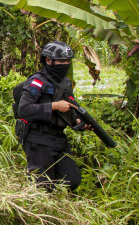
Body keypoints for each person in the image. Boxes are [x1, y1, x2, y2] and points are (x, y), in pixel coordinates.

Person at [16, 40, 86, 191]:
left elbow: (69, 109)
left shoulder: (65, 83)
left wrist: (78, 122)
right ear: (48, 60)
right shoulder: (36, 82)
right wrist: (54, 106)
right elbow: (24, 109)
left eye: (68, 61)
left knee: (72, 179)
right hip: (38, 139)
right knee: (42, 186)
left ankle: (55, 199)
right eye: (61, 61)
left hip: (59, 139)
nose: (65, 64)